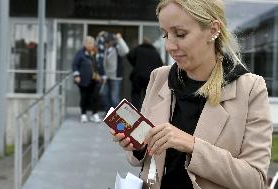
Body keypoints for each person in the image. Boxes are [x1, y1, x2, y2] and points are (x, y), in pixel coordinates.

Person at [110, 0, 273, 189]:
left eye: (180, 34)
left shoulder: (250, 88)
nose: (169, 46)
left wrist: (192, 145)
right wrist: (137, 146)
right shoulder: (159, 78)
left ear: (213, 30)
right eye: (165, 34)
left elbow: (255, 180)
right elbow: (143, 161)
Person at [127, 38, 163, 111]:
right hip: (150, 77)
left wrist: (135, 64)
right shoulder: (155, 52)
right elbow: (160, 64)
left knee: (136, 94)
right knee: (148, 96)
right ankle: (146, 113)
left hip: (138, 76)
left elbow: (129, 56)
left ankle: (135, 112)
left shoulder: (138, 49)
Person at [72, 36, 103, 123]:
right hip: (83, 80)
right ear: (85, 44)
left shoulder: (96, 53)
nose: (90, 45)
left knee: (96, 97)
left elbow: (100, 65)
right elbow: (75, 65)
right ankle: (83, 114)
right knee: (84, 97)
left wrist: (102, 76)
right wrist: (76, 75)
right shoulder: (80, 53)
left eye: (91, 43)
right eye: (88, 43)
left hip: (95, 79)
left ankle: (95, 114)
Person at [102, 32, 129, 112]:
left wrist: (120, 39)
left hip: (116, 77)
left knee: (114, 97)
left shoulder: (117, 49)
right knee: (104, 94)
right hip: (106, 76)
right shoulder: (105, 49)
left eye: (107, 41)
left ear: (111, 42)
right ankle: (109, 112)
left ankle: (117, 114)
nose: (106, 43)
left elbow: (126, 50)